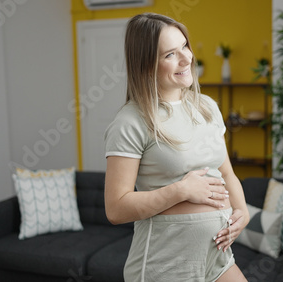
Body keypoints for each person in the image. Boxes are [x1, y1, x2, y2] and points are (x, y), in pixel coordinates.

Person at [104, 13, 250, 282]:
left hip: (217, 257)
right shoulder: (131, 120)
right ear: (147, 65)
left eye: (184, 46)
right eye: (170, 54)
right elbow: (115, 208)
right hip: (166, 265)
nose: (186, 59)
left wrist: (242, 212)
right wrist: (181, 190)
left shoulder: (207, 107)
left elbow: (227, 174)